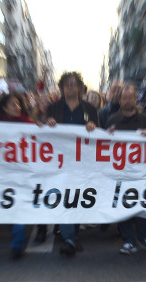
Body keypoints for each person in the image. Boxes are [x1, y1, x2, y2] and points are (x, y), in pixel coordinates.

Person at [45, 71, 99, 257]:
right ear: (61, 88)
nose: (70, 86)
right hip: (59, 162)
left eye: (74, 83)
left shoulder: (90, 109)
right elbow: (44, 132)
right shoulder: (53, 108)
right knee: (64, 197)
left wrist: (93, 127)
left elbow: (98, 134)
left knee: (77, 198)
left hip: (82, 162)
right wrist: (47, 123)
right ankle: (68, 238)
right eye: (67, 84)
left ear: (80, 88)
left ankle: (73, 234)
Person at [106, 84, 146, 255]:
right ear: (120, 100)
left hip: (142, 171)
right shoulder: (112, 119)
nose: (128, 100)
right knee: (123, 204)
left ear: (136, 99)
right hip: (121, 172)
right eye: (125, 97)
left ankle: (143, 237)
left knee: (143, 204)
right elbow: (104, 144)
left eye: (131, 97)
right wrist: (108, 134)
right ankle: (128, 240)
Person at [0, 92, 37, 259]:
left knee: (18, 208)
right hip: (2, 173)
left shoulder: (29, 124)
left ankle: (17, 245)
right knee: (9, 206)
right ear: (4, 107)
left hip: (22, 173)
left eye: (18, 104)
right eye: (12, 104)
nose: (16, 107)